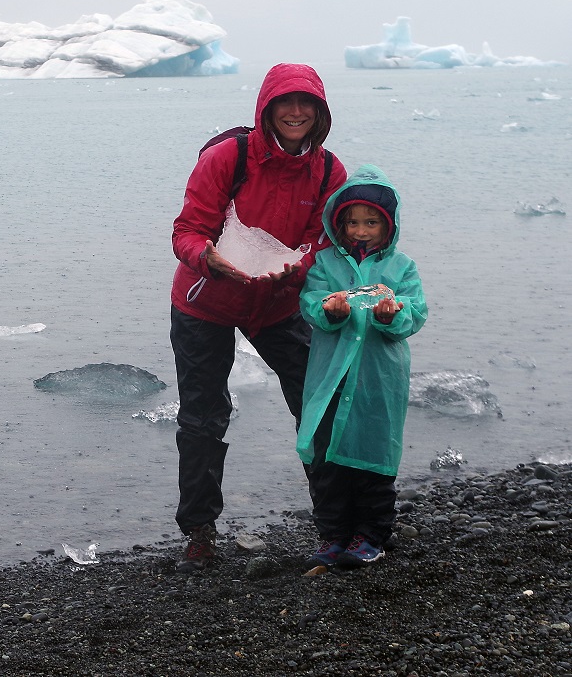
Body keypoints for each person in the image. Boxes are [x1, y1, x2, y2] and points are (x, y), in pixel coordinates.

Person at [169, 62, 347, 573]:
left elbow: (322, 241)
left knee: (318, 404)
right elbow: (187, 230)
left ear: (320, 112)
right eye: (285, 102)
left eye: (307, 103)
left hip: (278, 302)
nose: (296, 112)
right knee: (203, 416)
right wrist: (209, 259)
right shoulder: (229, 157)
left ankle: (335, 525)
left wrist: (296, 270)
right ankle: (200, 532)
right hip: (206, 300)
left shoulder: (329, 171)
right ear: (266, 108)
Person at [296, 164, 427, 570]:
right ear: (339, 223)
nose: (361, 231)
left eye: (372, 222)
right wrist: (330, 311)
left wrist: (391, 316)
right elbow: (310, 303)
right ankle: (334, 535)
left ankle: (370, 536)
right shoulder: (325, 263)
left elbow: (416, 312)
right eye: (352, 222)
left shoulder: (402, 267)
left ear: (388, 225)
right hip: (331, 377)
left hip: (378, 379)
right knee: (327, 460)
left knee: (372, 457)